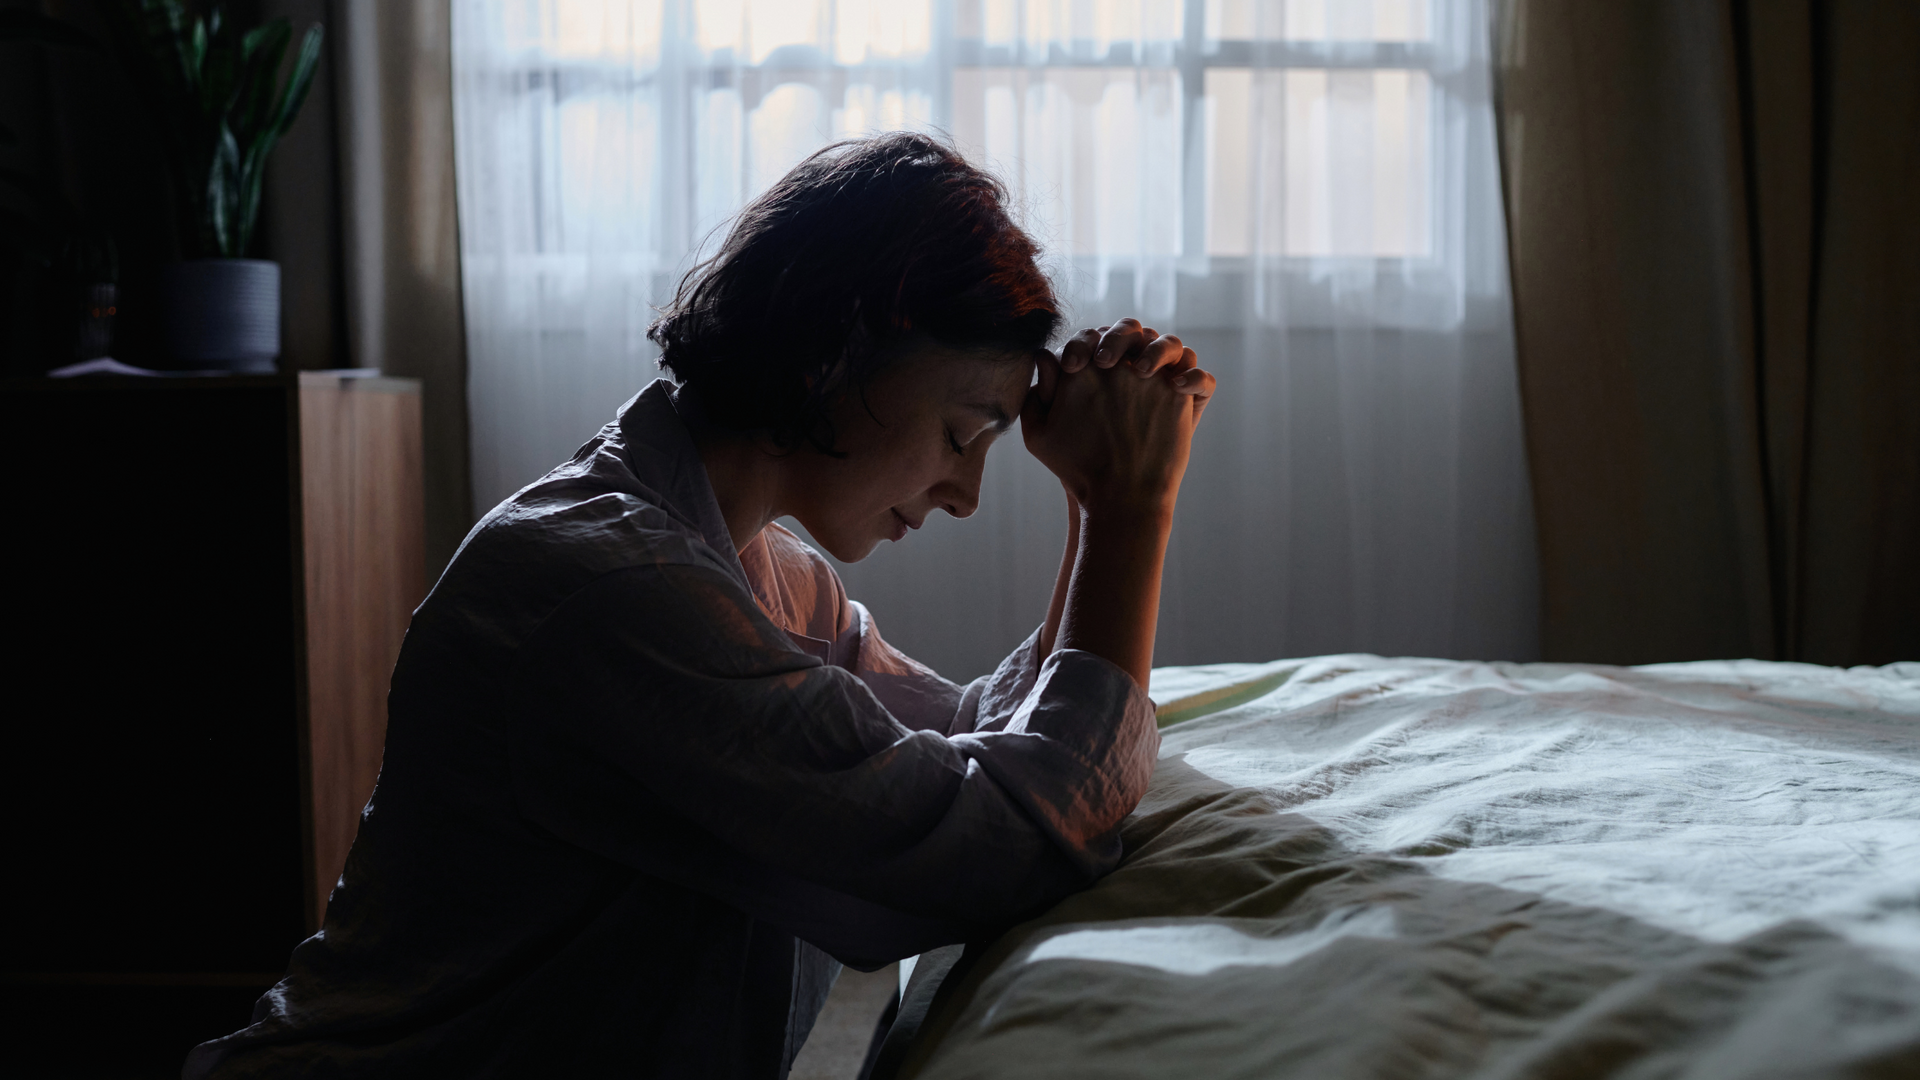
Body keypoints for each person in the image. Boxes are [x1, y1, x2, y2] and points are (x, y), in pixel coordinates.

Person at [185, 132, 1217, 1079]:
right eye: (961, 434)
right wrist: (1129, 511)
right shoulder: (619, 594)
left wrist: (1102, 505)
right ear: (837, 355)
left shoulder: (764, 575)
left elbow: (982, 753)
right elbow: (1003, 843)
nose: (965, 494)